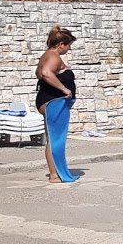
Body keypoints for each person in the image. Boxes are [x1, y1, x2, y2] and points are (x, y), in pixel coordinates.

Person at [35, 26, 80, 184]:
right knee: (57, 139)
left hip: (47, 101)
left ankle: (55, 173)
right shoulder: (54, 57)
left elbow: (38, 73)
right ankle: (55, 175)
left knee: (53, 138)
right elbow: (46, 73)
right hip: (54, 102)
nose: (68, 49)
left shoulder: (46, 55)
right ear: (61, 44)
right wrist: (64, 89)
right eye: (68, 46)